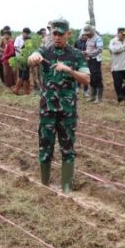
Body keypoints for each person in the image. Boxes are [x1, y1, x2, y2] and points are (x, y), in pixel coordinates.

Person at [28, 18, 90, 194]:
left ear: (68, 34)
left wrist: (69, 70)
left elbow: (87, 79)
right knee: (45, 146)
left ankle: (67, 187)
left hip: (67, 111)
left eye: (61, 34)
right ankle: (44, 184)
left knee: (68, 148)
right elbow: (31, 59)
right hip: (47, 110)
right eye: (54, 33)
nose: (57, 37)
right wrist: (33, 57)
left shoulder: (76, 55)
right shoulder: (44, 51)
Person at [109, 28, 125, 103]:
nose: (124, 36)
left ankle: (123, 94)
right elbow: (114, 50)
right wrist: (124, 45)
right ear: (118, 33)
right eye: (123, 34)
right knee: (118, 84)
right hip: (117, 67)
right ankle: (120, 98)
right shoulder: (113, 41)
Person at [82, 25, 104, 103]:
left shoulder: (98, 38)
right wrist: (86, 53)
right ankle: (92, 96)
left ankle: (99, 98)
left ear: (92, 32)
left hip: (95, 61)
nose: (86, 35)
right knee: (90, 78)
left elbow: (99, 49)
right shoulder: (88, 39)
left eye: (88, 33)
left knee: (97, 78)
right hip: (89, 60)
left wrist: (88, 53)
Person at [74, 32, 90, 97]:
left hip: (87, 60)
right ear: (81, 35)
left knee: (86, 74)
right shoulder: (77, 42)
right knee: (78, 73)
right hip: (78, 60)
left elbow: (90, 50)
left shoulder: (89, 42)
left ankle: (85, 91)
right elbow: (74, 49)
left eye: (86, 35)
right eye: (83, 35)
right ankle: (77, 88)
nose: (85, 36)